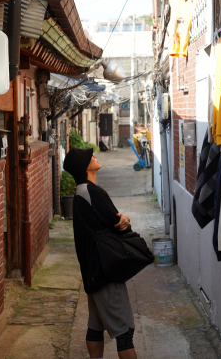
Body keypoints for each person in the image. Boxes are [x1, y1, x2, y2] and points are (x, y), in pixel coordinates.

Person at [63, 147, 138, 359]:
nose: (95, 157)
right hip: (106, 272)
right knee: (125, 332)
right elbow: (118, 225)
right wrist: (124, 219)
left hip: (92, 271)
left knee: (96, 328)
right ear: (86, 165)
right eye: (91, 156)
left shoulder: (80, 193)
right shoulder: (94, 193)